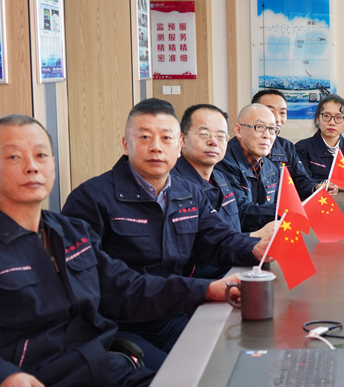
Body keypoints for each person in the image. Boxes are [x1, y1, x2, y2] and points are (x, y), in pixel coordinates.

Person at [0, 115, 247, 387]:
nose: (32, 167)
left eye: (41, 155)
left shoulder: (68, 232)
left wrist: (208, 289)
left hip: (104, 371)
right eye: (15, 157)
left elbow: (126, 287)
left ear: (52, 165)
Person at [63, 99, 272, 369]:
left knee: (230, 360)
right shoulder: (90, 198)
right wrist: (205, 290)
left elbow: (218, 239)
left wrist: (256, 247)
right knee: (181, 376)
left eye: (166, 138)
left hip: (171, 315)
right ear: (126, 145)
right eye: (145, 137)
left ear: (179, 144)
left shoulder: (188, 192)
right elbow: (108, 281)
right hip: (117, 326)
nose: (156, 147)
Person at [174, 104, 275, 278]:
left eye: (221, 136)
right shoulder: (175, 184)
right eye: (204, 134)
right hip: (200, 280)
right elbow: (201, 247)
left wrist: (255, 242)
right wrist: (254, 237)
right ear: (182, 140)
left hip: (232, 265)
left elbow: (229, 233)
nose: (213, 141)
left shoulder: (220, 177)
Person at [214, 104, 284, 233]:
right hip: (237, 240)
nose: (267, 135)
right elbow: (241, 212)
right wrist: (283, 211)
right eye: (260, 127)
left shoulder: (271, 166)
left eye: (272, 129)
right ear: (238, 130)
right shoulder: (222, 163)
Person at [251, 89, 330, 198]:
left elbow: (300, 179)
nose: (277, 119)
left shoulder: (286, 146)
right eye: (270, 111)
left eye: (282, 113)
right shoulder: (235, 150)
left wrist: (316, 187)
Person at [295, 94, 344, 182]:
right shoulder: (302, 148)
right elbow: (303, 182)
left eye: (339, 117)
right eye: (326, 116)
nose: (332, 122)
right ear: (318, 118)